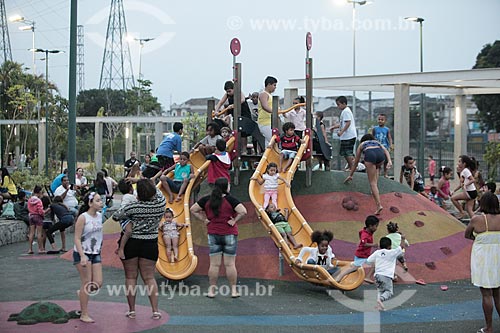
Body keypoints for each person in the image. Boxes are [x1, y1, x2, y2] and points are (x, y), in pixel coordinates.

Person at [112, 179, 165, 320]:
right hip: (150, 243)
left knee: (130, 276)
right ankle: (155, 310)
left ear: (138, 194)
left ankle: (132, 310)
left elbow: (116, 216)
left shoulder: (132, 207)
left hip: (132, 242)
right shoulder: (160, 204)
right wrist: (141, 181)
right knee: (149, 277)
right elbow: (157, 191)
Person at [190, 177, 247, 298]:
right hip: (229, 233)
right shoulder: (231, 200)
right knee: (230, 264)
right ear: (226, 187)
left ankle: (212, 291)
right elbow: (243, 211)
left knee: (214, 265)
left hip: (213, 233)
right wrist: (234, 220)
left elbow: (193, 209)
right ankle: (233, 291)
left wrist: (204, 219)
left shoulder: (207, 200)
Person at [464, 192, 500, 333]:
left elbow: (467, 235)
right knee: (498, 293)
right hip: (498, 257)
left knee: (486, 294)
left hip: (483, 258)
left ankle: (489, 327)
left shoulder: (477, 220)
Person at [73, 192, 104, 323]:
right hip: (83, 252)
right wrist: (82, 256)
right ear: (90, 203)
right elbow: (77, 238)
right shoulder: (83, 217)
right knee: (86, 283)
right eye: (98, 200)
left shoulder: (100, 216)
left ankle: (81, 295)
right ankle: (84, 313)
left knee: (97, 283)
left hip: (95, 252)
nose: (101, 202)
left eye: (101, 200)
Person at [344, 134, 392, 215]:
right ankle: (373, 191)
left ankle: (379, 205)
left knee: (372, 183)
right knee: (376, 168)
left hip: (370, 155)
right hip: (381, 156)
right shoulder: (376, 142)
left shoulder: (362, 145)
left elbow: (356, 162)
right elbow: (385, 150)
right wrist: (389, 161)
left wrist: (351, 175)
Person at [367, 235, 406, 311]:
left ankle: (379, 305)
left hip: (377, 275)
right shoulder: (392, 252)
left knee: (380, 290)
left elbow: (369, 260)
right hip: (386, 275)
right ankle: (380, 300)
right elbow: (401, 247)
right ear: (390, 246)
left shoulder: (377, 252)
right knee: (389, 292)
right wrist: (403, 239)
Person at [337, 215, 380, 283]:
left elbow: (360, 232)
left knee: (374, 263)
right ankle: (338, 278)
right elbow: (364, 244)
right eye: (376, 226)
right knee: (352, 268)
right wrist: (373, 245)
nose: (376, 228)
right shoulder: (365, 234)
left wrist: (361, 240)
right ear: (370, 226)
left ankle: (368, 277)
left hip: (364, 255)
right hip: (362, 255)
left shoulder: (366, 231)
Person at [330, 96, 357, 171]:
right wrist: (334, 127)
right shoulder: (345, 111)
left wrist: (341, 132)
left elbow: (348, 123)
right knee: (345, 152)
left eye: (339, 104)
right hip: (347, 136)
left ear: (344, 103)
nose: (338, 106)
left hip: (348, 136)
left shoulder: (346, 111)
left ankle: (352, 167)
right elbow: (342, 124)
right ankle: (350, 165)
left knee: (347, 152)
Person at [114, 179, 137, 260]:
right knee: (128, 231)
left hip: (127, 216)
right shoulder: (128, 197)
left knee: (125, 232)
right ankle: (121, 249)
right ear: (131, 188)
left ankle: (120, 245)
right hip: (124, 217)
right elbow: (137, 201)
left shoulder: (129, 195)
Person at [451, 155, 478, 220]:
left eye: (460, 161)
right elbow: (461, 185)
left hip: (470, 192)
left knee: (453, 198)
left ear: (464, 164)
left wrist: (466, 185)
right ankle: (476, 222)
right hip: (473, 192)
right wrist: (454, 190)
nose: (458, 163)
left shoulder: (465, 171)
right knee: (469, 210)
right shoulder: (463, 172)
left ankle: (462, 212)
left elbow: (473, 179)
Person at [257, 76, 278, 147]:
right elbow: (265, 106)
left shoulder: (270, 95)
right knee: (273, 141)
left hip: (270, 121)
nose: (275, 87)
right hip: (265, 122)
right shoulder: (263, 94)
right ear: (269, 84)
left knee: (269, 142)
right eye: (274, 85)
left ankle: (267, 157)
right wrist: (275, 112)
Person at [27, 185, 45, 254]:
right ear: (39, 192)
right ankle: (40, 248)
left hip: (31, 216)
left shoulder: (29, 200)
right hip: (38, 216)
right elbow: (40, 210)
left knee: (31, 233)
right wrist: (43, 214)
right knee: (39, 233)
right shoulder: (38, 201)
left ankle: (30, 249)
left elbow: (28, 208)